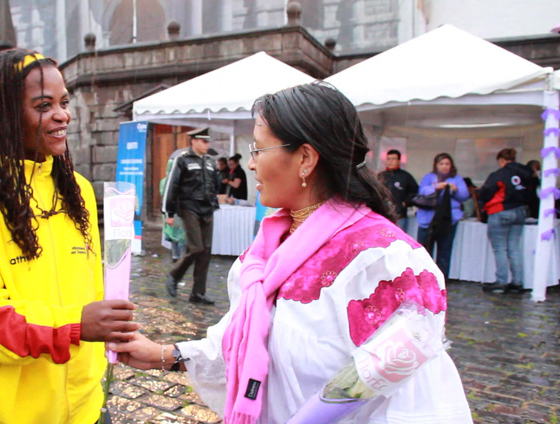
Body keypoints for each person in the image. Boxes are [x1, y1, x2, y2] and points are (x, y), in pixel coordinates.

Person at [109, 83, 471, 423]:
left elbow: (411, 393)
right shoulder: (268, 246)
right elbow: (243, 344)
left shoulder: (382, 261)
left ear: (305, 159)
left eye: (258, 149)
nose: (250, 164)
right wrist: (160, 355)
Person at [0, 49, 138, 424]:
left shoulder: (79, 189)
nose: (63, 115)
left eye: (64, 102)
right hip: (1, 411)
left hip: (85, 404)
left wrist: (108, 322)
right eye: (44, 105)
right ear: (5, 112)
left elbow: (89, 291)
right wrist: (75, 325)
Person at [161, 127, 219, 305]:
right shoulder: (183, 159)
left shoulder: (210, 161)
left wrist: (214, 201)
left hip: (206, 208)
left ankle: (198, 293)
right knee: (196, 248)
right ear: (194, 141)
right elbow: (172, 185)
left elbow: (214, 184)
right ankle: (174, 275)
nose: (207, 144)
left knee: (206, 251)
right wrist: (169, 212)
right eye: (204, 141)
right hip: (189, 207)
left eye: (208, 141)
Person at [479, 148, 533, 294]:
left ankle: (501, 282)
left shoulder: (499, 174)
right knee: (514, 249)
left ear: (501, 160)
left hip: (501, 211)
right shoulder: (526, 173)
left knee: (500, 249)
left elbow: (486, 192)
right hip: (520, 211)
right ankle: (517, 282)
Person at [416, 153, 469, 279]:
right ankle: (423, 278)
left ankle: (441, 278)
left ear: (451, 165)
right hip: (428, 219)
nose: (444, 166)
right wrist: (437, 187)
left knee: (444, 250)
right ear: (436, 165)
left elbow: (465, 195)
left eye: (447, 164)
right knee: (424, 250)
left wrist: (455, 189)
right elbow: (422, 191)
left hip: (448, 219)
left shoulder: (456, 179)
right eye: (441, 164)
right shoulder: (429, 177)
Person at [377, 149, 418, 229]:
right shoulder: (381, 176)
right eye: (388, 159)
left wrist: (406, 202)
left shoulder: (405, 176)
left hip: (400, 215)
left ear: (399, 161)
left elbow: (415, 192)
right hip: (383, 214)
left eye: (393, 159)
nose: (390, 161)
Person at [161, 155, 186, 262]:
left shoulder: (163, 181)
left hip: (167, 209)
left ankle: (175, 255)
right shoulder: (180, 181)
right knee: (181, 234)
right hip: (178, 210)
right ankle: (181, 256)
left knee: (172, 233)